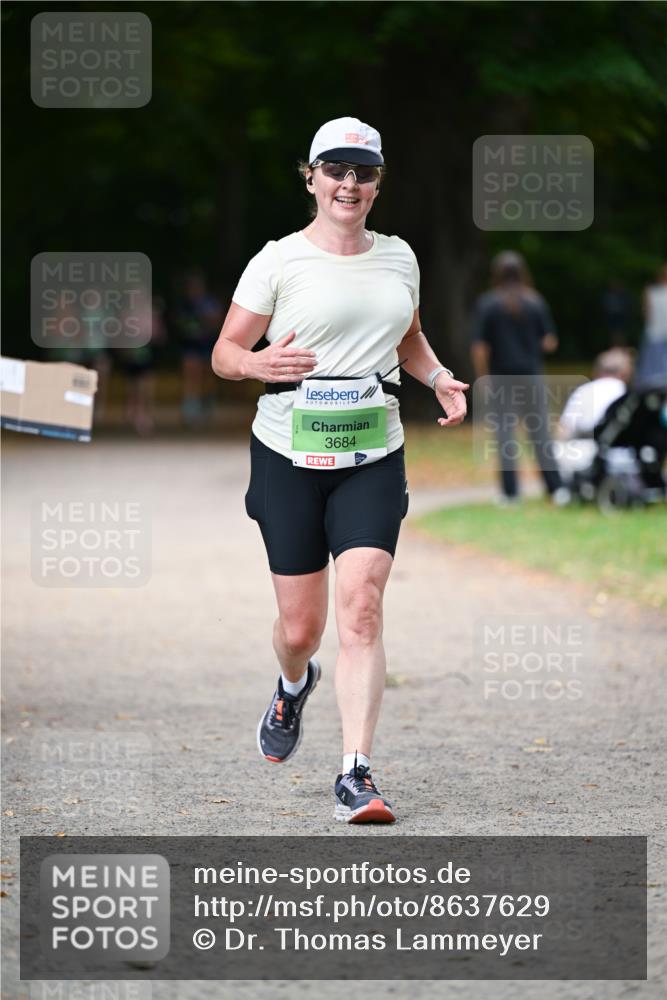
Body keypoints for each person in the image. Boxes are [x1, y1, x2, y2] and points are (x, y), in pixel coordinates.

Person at [211, 117, 468, 823]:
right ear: (312, 176)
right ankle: (294, 681)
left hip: (371, 453)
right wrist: (256, 363)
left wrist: (439, 376)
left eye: (362, 172)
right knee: (302, 627)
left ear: (377, 183)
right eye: (335, 170)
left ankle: (355, 772)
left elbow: (408, 337)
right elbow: (225, 352)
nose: (348, 184)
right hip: (287, 454)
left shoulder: (399, 258)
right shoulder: (278, 260)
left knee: (361, 605)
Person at [470, 251, 568, 505]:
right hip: (531, 375)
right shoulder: (535, 302)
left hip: (501, 377)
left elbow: (480, 347)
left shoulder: (488, 303)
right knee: (540, 432)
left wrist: (484, 377)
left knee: (505, 434)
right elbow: (550, 341)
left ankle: (510, 493)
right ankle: (556, 488)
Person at [556, 348, 634, 486]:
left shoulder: (584, 390)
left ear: (596, 370)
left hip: (584, 453)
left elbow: (563, 430)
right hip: (623, 456)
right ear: (625, 373)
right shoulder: (628, 394)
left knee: (557, 450)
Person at [635, 264, 667, 390]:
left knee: (653, 362)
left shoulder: (651, 291)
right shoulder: (651, 291)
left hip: (655, 330)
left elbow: (645, 312)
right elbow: (646, 311)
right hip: (655, 331)